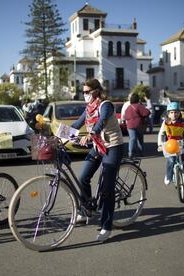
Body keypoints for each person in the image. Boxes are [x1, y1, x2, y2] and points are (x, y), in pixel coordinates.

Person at [70, 79, 123, 242]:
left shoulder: (105, 105)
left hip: (113, 147)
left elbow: (102, 122)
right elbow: (77, 124)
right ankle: (87, 210)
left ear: (96, 91)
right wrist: (58, 135)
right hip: (98, 146)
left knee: (107, 189)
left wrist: (91, 134)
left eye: (87, 92)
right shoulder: (88, 109)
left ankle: (106, 226)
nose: (84, 95)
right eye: (83, 92)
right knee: (83, 177)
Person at [158, 102, 184, 185]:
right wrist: (160, 144)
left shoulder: (183, 122)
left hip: (180, 143)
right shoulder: (165, 122)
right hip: (169, 144)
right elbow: (161, 133)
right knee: (171, 160)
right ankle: (168, 175)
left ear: (179, 113)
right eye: (172, 112)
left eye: (176, 112)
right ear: (168, 114)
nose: (174, 114)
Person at [124, 93, 150, 159]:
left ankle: (130, 154)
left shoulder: (128, 107)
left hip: (130, 125)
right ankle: (141, 153)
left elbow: (125, 116)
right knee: (140, 139)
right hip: (139, 125)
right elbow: (147, 112)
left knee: (132, 139)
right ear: (137, 99)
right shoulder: (138, 106)